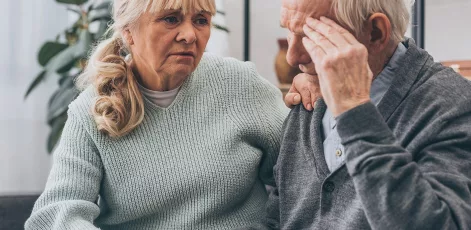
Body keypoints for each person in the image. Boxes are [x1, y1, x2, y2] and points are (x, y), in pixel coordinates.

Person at [25, 0, 290, 229]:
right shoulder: (92, 111)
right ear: (129, 31)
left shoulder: (241, 85)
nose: (189, 35)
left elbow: (303, 171)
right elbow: (57, 212)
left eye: (201, 20)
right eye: (171, 19)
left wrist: (270, 224)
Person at [266, 0, 471, 229]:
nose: (292, 58)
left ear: (376, 33)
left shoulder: (450, 103)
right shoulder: (310, 95)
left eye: (312, 37)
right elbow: (277, 217)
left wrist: (353, 110)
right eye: (289, 32)